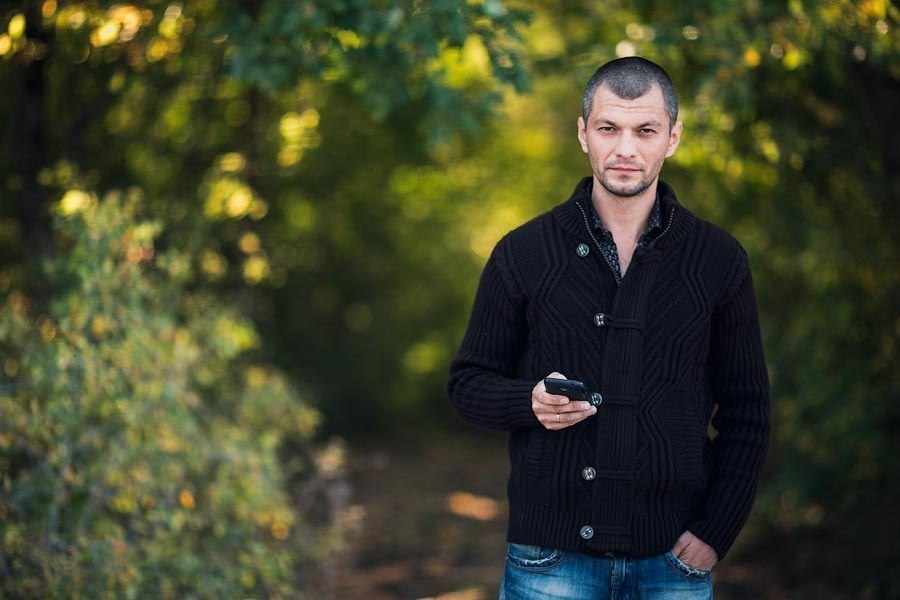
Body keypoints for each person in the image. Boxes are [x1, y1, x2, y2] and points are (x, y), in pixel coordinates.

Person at [446, 56, 770, 599]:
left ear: (672, 138)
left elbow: (748, 413)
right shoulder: (523, 252)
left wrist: (715, 533)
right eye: (608, 128)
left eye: (645, 131)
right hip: (548, 561)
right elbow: (467, 385)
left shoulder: (718, 260)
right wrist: (528, 402)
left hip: (673, 565)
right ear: (583, 134)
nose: (625, 148)